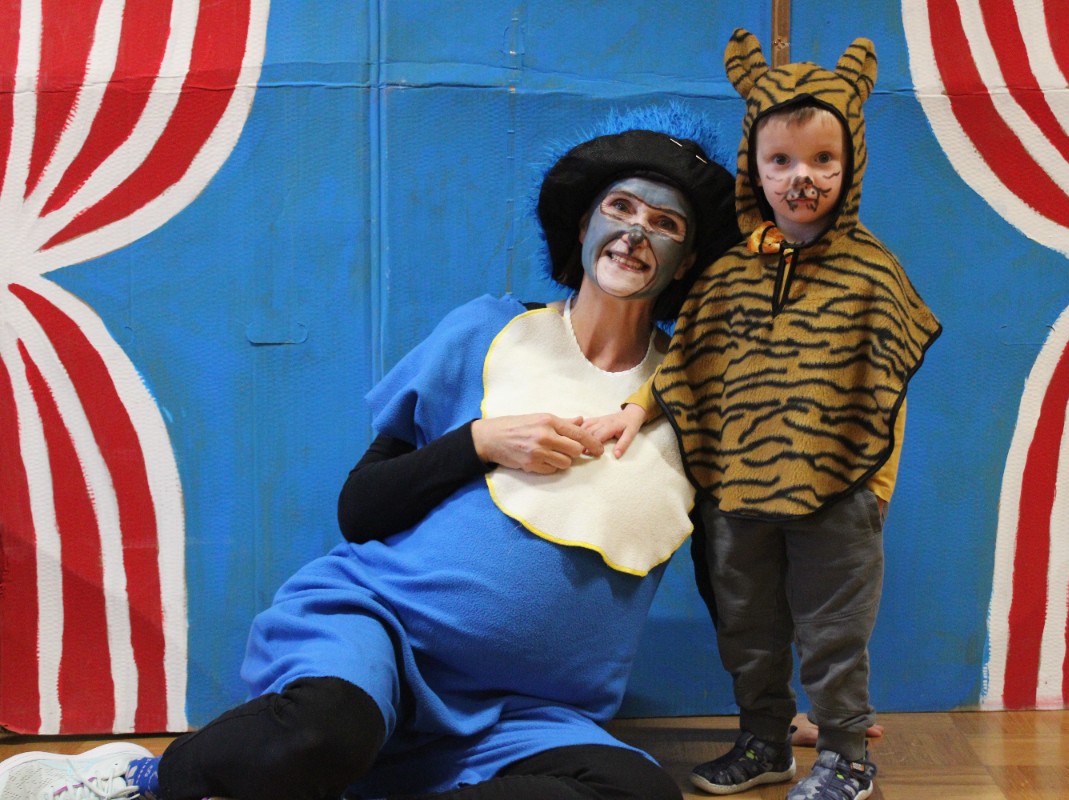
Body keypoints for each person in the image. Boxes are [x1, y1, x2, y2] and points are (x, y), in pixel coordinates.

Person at [0, 104, 739, 800]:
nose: (635, 233)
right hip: (381, 638)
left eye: (664, 223)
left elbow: (734, 576)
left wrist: (765, 720)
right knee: (323, 734)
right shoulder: (484, 332)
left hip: (526, 713)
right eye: (620, 208)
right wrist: (480, 442)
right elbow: (360, 511)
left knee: (637, 791)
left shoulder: (696, 403)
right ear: (583, 224)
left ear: (686, 261)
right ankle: (141, 776)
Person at [585, 30, 941, 799]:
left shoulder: (871, 273)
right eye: (780, 160)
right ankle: (764, 740)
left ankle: (846, 756)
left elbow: (886, 382)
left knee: (834, 633)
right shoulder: (728, 274)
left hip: (840, 494)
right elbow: (689, 360)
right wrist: (636, 410)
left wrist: (875, 488)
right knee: (749, 626)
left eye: (822, 159)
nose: (800, 178)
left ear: (851, 162)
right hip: (740, 492)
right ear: (755, 163)